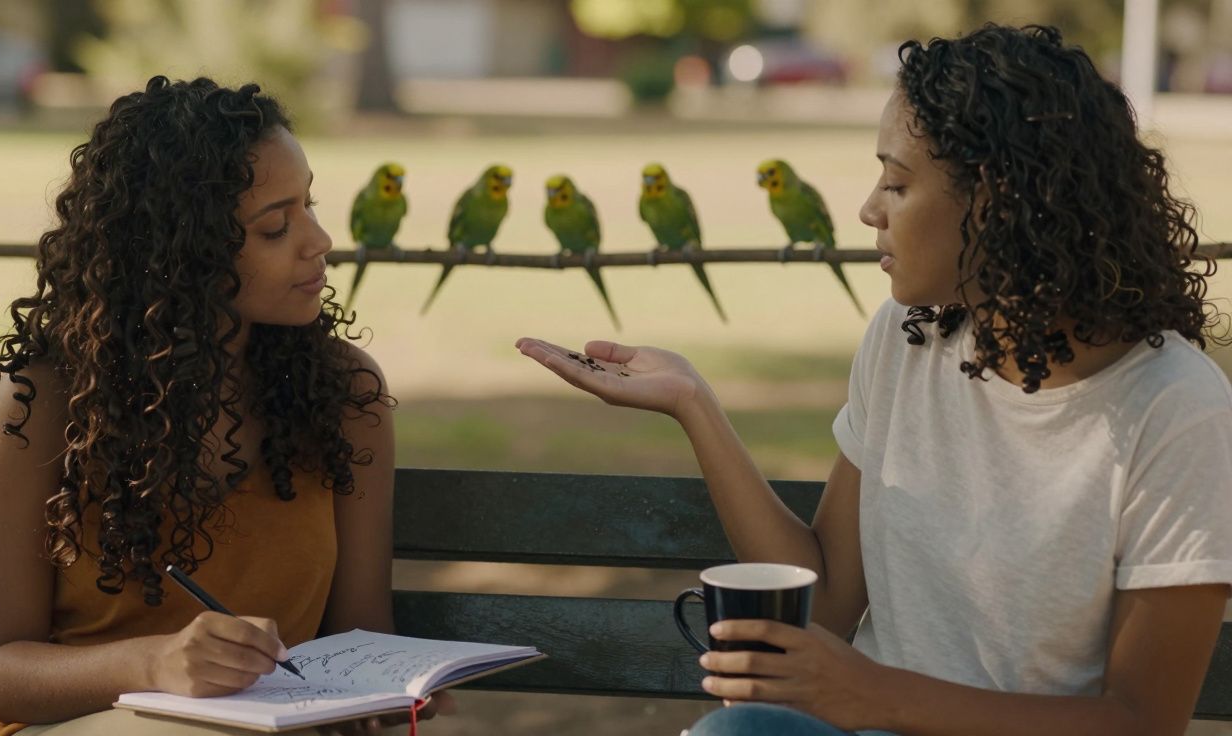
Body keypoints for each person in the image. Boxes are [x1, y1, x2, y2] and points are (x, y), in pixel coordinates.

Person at [517, 24, 1232, 736]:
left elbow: (1139, 722)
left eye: (896, 182)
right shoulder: (907, 339)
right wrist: (693, 404)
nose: (868, 210)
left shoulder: (1175, 409)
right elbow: (825, 600)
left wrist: (878, 695)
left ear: (999, 201)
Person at [0, 76, 434, 735]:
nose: (318, 240)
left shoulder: (344, 396)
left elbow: (362, 635)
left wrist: (379, 701)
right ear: (185, 253)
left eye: (310, 205)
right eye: (275, 226)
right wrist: (156, 663)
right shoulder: (46, 404)